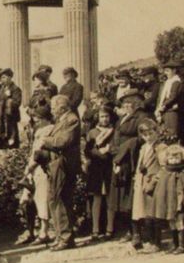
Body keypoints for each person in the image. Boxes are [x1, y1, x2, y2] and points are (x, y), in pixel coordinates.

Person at [39, 94, 81, 251]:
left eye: (54, 107)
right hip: (56, 163)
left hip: (63, 164)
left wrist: (45, 140)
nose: (52, 110)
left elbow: (63, 141)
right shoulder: (62, 120)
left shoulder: (71, 119)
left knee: (59, 200)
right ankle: (62, 236)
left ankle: (65, 237)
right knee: (56, 200)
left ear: (62, 107)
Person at [109, 89, 149, 241]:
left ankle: (137, 232)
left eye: (128, 102)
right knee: (121, 196)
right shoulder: (122, 119)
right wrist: (114, 149)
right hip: (119, 158)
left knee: (132, 196)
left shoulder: (142, 117)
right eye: (124, 102)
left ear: (136, 103)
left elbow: (141, 138)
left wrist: (125, 147)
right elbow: (116, 135)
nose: (125, 105)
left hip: (132, 159)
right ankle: (128, 230)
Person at [19, 105, 54, 245]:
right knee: (27, 201)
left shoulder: (48, 130)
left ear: (46, 119)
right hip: (34, 170)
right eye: (35, 118)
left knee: (41, 199)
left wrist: (28, 168)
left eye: (39, 118)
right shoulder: (39, 130)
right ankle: (31, 231)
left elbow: (38, 153)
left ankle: (44, 232)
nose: (36, 121)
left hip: (41, 168)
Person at [131, 119, 166, 251]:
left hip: (152, 183)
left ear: (156, 132)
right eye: (145, 135)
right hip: (141, 181)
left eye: (150, 133)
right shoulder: (143, 147)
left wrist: (154, 181)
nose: (148, 137)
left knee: (154, 213)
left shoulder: (160, 147)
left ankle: (156, 242)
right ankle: (146, 240)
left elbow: (164, 167)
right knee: (143, 212)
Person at [84, 106, 115, 241]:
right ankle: (95, 229)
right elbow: (87, 150)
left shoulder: (114, 131)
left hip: (110, 167)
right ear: (98, 117)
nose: (104, 119)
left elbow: (116, 147)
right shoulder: (92, 133)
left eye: (107, 116)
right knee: (96, 198)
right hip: (96, 168)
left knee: (110, 198)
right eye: (102, 116)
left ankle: (110, 229)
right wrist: (99, 153)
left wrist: (109, 150)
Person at [0, 68, 22, 149]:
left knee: (11, 139)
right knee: (1, 139)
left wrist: (8, 99)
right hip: (1, 118)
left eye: (4, 77)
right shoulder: (2, 89)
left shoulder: (15, 89)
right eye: (1, 78)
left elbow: (17, 103)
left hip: (10, 119)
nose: (2, 80)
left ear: (9, 77)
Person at [155, 60, 183, 141]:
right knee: (164, 133)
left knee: (171, 134)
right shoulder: (167, 82)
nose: (166, 73)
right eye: (165, 71)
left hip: (171, 110)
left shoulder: (176, 81)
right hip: (165, 110)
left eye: (168, 71)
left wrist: (163, 106)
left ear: (174, 70)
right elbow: (161, 97)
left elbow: (173, 97)